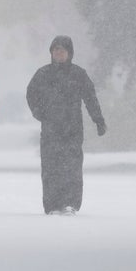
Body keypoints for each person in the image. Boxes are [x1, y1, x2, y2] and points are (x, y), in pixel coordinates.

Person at [26, 35, 106, 215]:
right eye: (55, 50)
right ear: (51, 53)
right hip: (50, 130)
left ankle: (71, 203)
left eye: (62, 50)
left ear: (69, 53)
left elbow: (90, 99)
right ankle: (52, 205)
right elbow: (31, 95)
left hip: (73, 129)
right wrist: (39, 113)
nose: (58, 53)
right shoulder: (43, 74)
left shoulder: (79, 74)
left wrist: (98, 120)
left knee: (72, 168)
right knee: (50, 168)